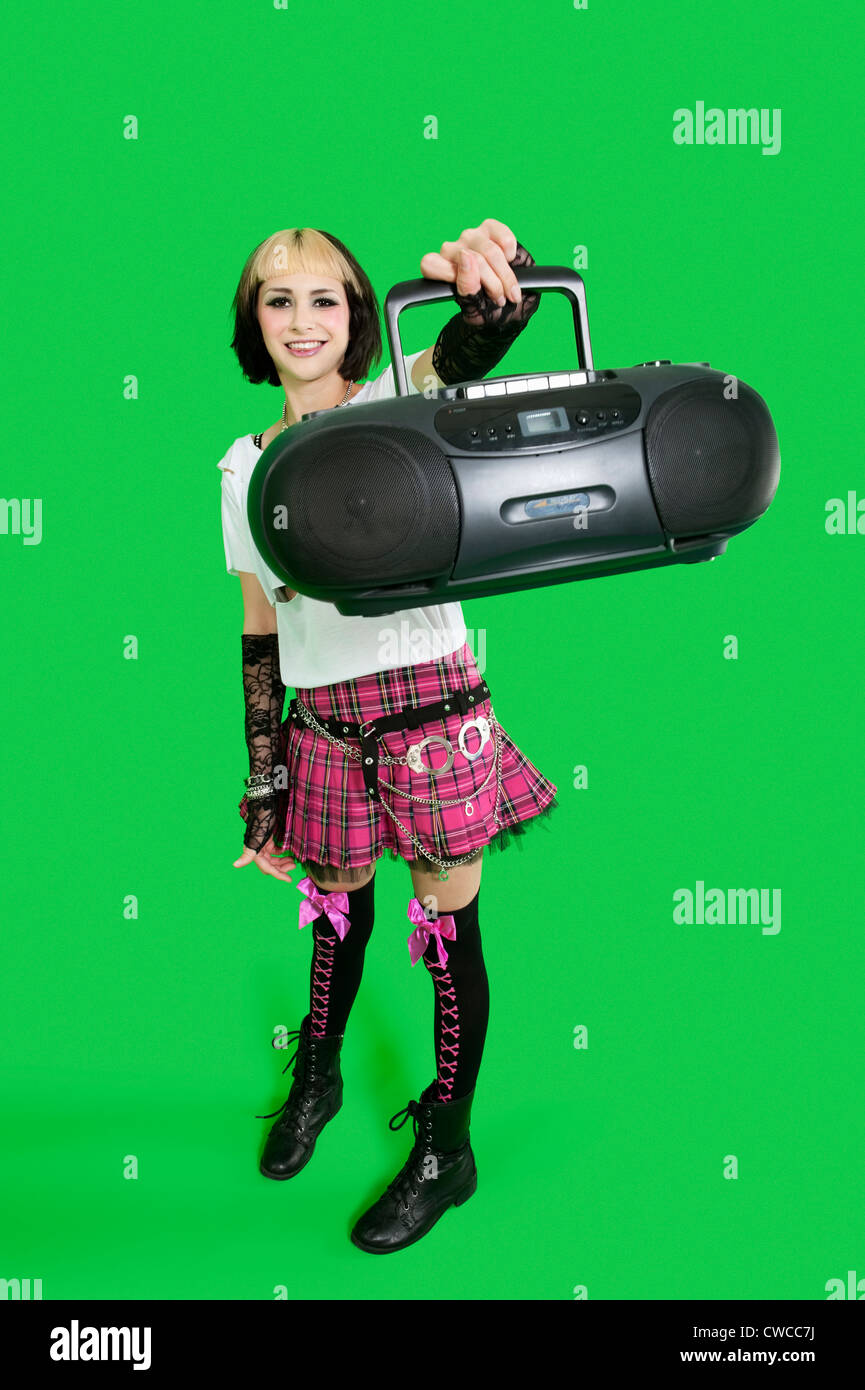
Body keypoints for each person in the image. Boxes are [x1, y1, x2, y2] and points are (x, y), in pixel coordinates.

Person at [218, 219, 560, 1254]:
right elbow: (260, 628)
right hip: (319, 724)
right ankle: (317, 1073)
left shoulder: (397, 403)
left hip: (431, 721)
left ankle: (446, 1148)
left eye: (325, 298)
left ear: (358, 315)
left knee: (448, 934)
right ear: (254, 325)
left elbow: (473, 344)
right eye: (279, 299)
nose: (302, 319)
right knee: (334, 915)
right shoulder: (240, 465)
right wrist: (265, 778)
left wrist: (489, 288)